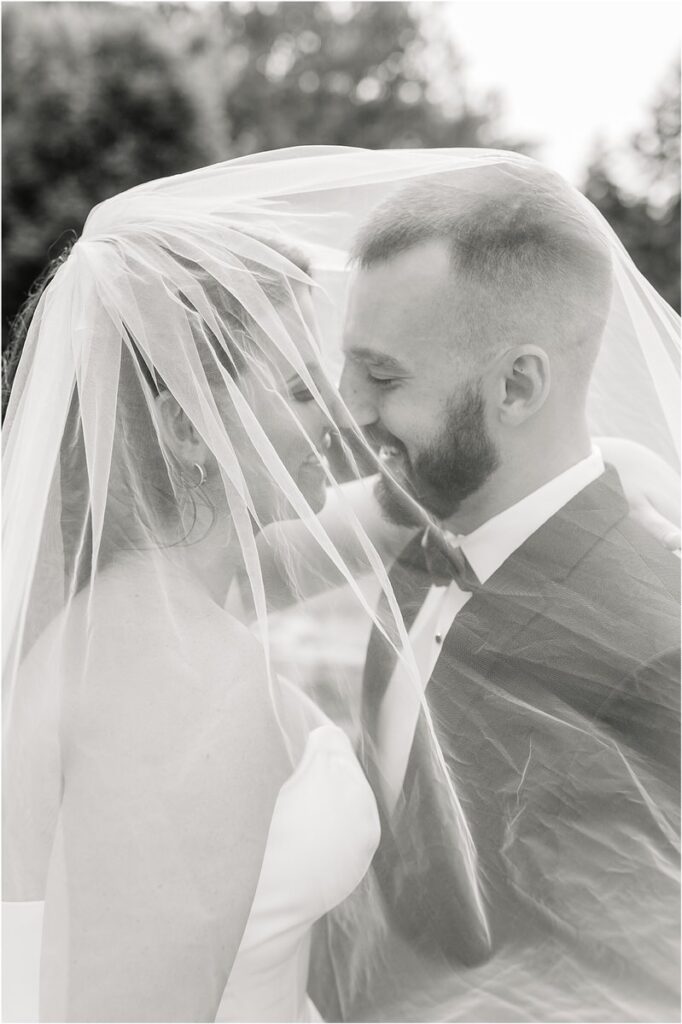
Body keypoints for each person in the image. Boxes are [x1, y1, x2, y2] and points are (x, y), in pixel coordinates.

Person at [3, 148, 679, 1024]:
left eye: (374, 376)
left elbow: (395, 512)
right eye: (299, 387)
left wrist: (613, 462)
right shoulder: (185, 681)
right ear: (187, 431)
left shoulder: (147, 594)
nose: (341, 412)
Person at [324, 160, 679, 1021]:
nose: (345, 408)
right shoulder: (414, 539)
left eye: (383, 377)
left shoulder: (656, 652)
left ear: (517, 385)